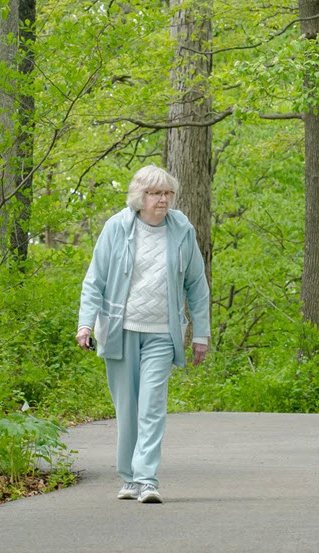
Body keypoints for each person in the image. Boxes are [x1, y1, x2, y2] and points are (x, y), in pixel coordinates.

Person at [77, 165, 211, 504]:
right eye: (155, 193)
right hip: (120, 331)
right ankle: (129, 478)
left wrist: (201, 335)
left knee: (152, 406)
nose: (162, 199)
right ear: (141, 197)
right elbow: (95, 279)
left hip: (162, 335)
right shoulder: (117, 228)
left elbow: (197, 285)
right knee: (127, 408)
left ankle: (147, 479)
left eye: (167, 193)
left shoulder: (182, 230)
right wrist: (85, 323)